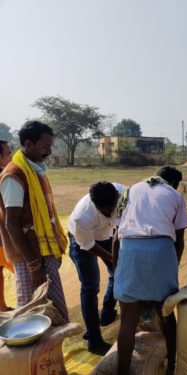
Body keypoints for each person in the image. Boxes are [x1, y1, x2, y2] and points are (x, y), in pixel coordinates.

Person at [114, 166, 187, 375]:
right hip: (161, 251)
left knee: (127, 321)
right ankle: (173, 365)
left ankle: (123, 371)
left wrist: (117, 267)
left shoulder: (130, 190)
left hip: (129, 249)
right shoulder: (175, 195)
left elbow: (116, 234)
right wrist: (171, 267)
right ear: (174, 182)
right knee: (165, 312)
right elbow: (179, 239)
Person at [0, 121, 68, 322]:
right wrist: (33, 265)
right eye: (45, 147)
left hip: (43, 251)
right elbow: (11, 224)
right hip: (28, 255)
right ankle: (32, 353)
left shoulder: (36, 172)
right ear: (29, 144)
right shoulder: (14, 176)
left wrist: (53, 252)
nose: (49, 151)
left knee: (54, 307)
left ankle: (52, 352)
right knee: (30, 311)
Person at [68, 181, 125, 355]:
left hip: (107, 235)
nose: (109, 213)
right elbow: (87, 244)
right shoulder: (82, 217)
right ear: (95, 205)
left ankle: (106, 314)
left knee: (119, 273)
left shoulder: (124, 194)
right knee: (90, 287)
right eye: (104, 211)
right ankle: (94, 340)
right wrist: (112, 257)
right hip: (82, 241)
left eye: (111, 208)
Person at [0, 140, 14, 312]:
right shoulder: (5, 177)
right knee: (23, 271)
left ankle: (2, 307)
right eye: (8, 154)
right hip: (3, 237)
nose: (11, 157)